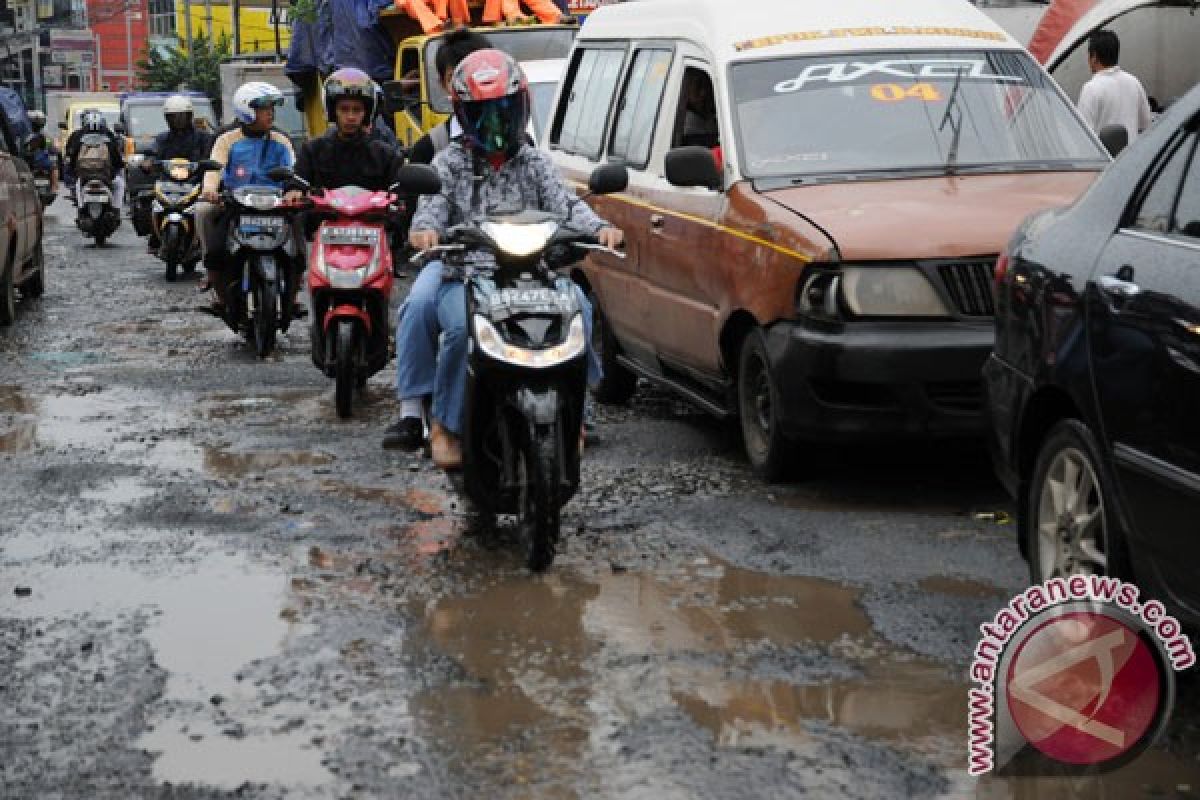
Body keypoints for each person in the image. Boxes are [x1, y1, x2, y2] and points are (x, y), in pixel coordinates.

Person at [396, 49, 622, 468]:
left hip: (534, 274)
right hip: (467, 275)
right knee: (461, 330)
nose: (496, 124)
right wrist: (425, 233)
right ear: (464, 115)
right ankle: (446, 425)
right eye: (484, 114)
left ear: (521, 108)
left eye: (504, 111)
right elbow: (429, 211)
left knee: (581, 313)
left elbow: (567, 205)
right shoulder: (448, 164)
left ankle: (575, 416)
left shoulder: (535, 161)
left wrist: (599, 228)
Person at [383, 27, 492, 451]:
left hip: (510, 255)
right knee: (419, 305)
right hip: (452, 255)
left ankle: (575, 413)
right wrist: (426, 233)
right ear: (446, 82)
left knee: (570, 302)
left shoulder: (521, 141)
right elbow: (419, 205)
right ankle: (412, 411)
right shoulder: (436, 146)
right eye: (459, 73)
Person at [198, 81, 298, 313]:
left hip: (276, 206)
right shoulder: (226, 140)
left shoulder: (281, 141)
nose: (270, 113)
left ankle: (293, 296)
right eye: (264, 108)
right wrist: (210, 190)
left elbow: (294, 169)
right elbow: (214, 169)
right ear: (246, 109)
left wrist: (295, 191)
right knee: (203, 213)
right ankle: (216, 285)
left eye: (272, 108)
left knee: (299, 238)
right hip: (235, 205)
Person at [141, 95, 214, 251]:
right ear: (168, 119)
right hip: (168, 182)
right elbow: (152, 153)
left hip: (194, 182)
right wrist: (148, 161)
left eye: (182, 116)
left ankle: (205, 240)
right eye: (174, 117)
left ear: (189, 116)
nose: (178, 120)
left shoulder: (203, 137)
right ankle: (154, 235)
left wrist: (208, 165)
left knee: (209, 208)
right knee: (148, 202)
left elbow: (210, 155)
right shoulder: (162, 138)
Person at [1077, 29, 1153, 144]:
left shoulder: (1090, 89)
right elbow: (1146, 123)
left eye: (1088, 55)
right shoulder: (1134, 82)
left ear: (1094, 57)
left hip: (1105, 161)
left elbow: (1082, 137)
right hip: (1133, 159)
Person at [64, 109, 124, 210]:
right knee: (120, 184)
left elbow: (71, 158)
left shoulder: (77, 136)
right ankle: (116, 209)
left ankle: (81, 208)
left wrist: (73, 172)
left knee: (78, 185)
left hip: (84, 176)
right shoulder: (109, 135)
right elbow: (117, 159)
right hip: (106, 176)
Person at [25, 110, 59, 194]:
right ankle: (54, 187)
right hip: (40, 163)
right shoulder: (45, 136)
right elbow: (53, 149)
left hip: (29, 163)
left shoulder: (26, 136)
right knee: (54, 168)